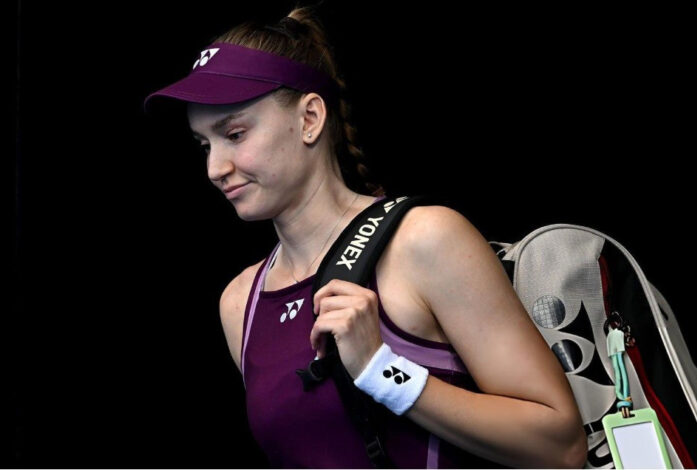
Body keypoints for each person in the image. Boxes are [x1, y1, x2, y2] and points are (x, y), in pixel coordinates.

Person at [144, 3, 587, 468]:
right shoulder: (241, 304)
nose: (215, 168)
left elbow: (561, 447)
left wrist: (382, 370)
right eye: (204, 145)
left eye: (234, 134)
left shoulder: (423, 240)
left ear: (310, 119)